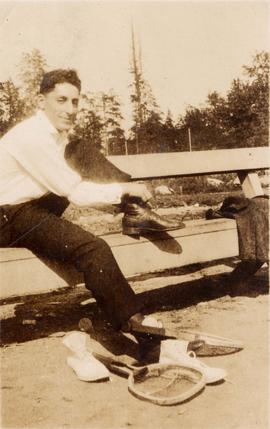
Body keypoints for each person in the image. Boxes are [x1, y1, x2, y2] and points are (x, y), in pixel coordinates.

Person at [0, 68, 180, 337]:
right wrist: (123, 190)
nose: (70, 109)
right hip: (8, 217)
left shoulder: (56, 135)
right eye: (61, 100)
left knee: (80, 149)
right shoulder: (31, 137)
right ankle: (132, 320)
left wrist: (122, 194)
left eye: (75, 101)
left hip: (29, 209)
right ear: (41, 101)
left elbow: (75, 178)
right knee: (93, 249)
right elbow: (74, 192)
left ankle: (137, 212)